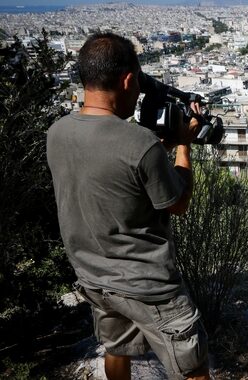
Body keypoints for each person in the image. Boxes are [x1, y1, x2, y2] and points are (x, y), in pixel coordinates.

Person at [46, 32, 209, 380]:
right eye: (137, 85)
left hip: (94, 277)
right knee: (193, 367)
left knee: (117, 350)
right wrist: (182, 146)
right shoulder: (140, 143)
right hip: (149, 285)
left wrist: (159, 148)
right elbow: (178, 202)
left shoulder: (57, 133)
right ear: (127, 80)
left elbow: (115, 169)